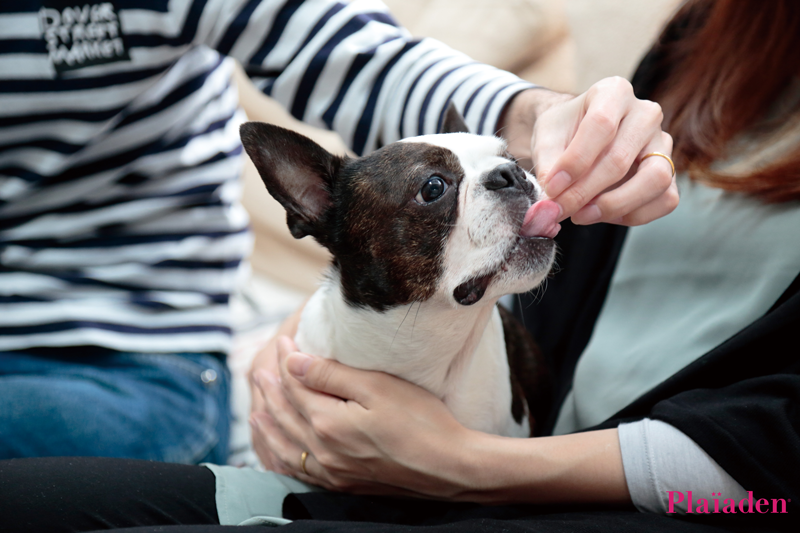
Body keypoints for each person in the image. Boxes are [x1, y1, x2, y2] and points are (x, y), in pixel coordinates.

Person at [0, 0, 673, 464]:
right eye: (437, 190)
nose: (505, 180)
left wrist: (532, 117)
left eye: (496, 165)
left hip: (127, 352)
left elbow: (359, 61)